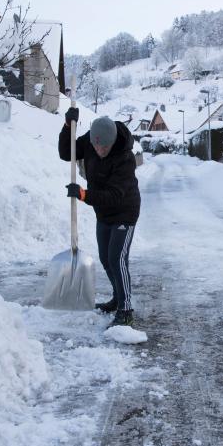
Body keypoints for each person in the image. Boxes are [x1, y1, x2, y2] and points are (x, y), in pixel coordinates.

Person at [59, 108, 141, 327]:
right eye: (96, 145)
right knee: (105, 258)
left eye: (103, 146)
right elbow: (68, 153)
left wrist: (84, 194)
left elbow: (114, 195)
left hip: (124, 210)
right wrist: (68, 126)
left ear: (112, 142)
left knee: (117, 258)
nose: (98, 149)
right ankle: (117, 298)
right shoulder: (92, 140)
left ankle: (126, 309)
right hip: (103, 212)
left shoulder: (125, 158)